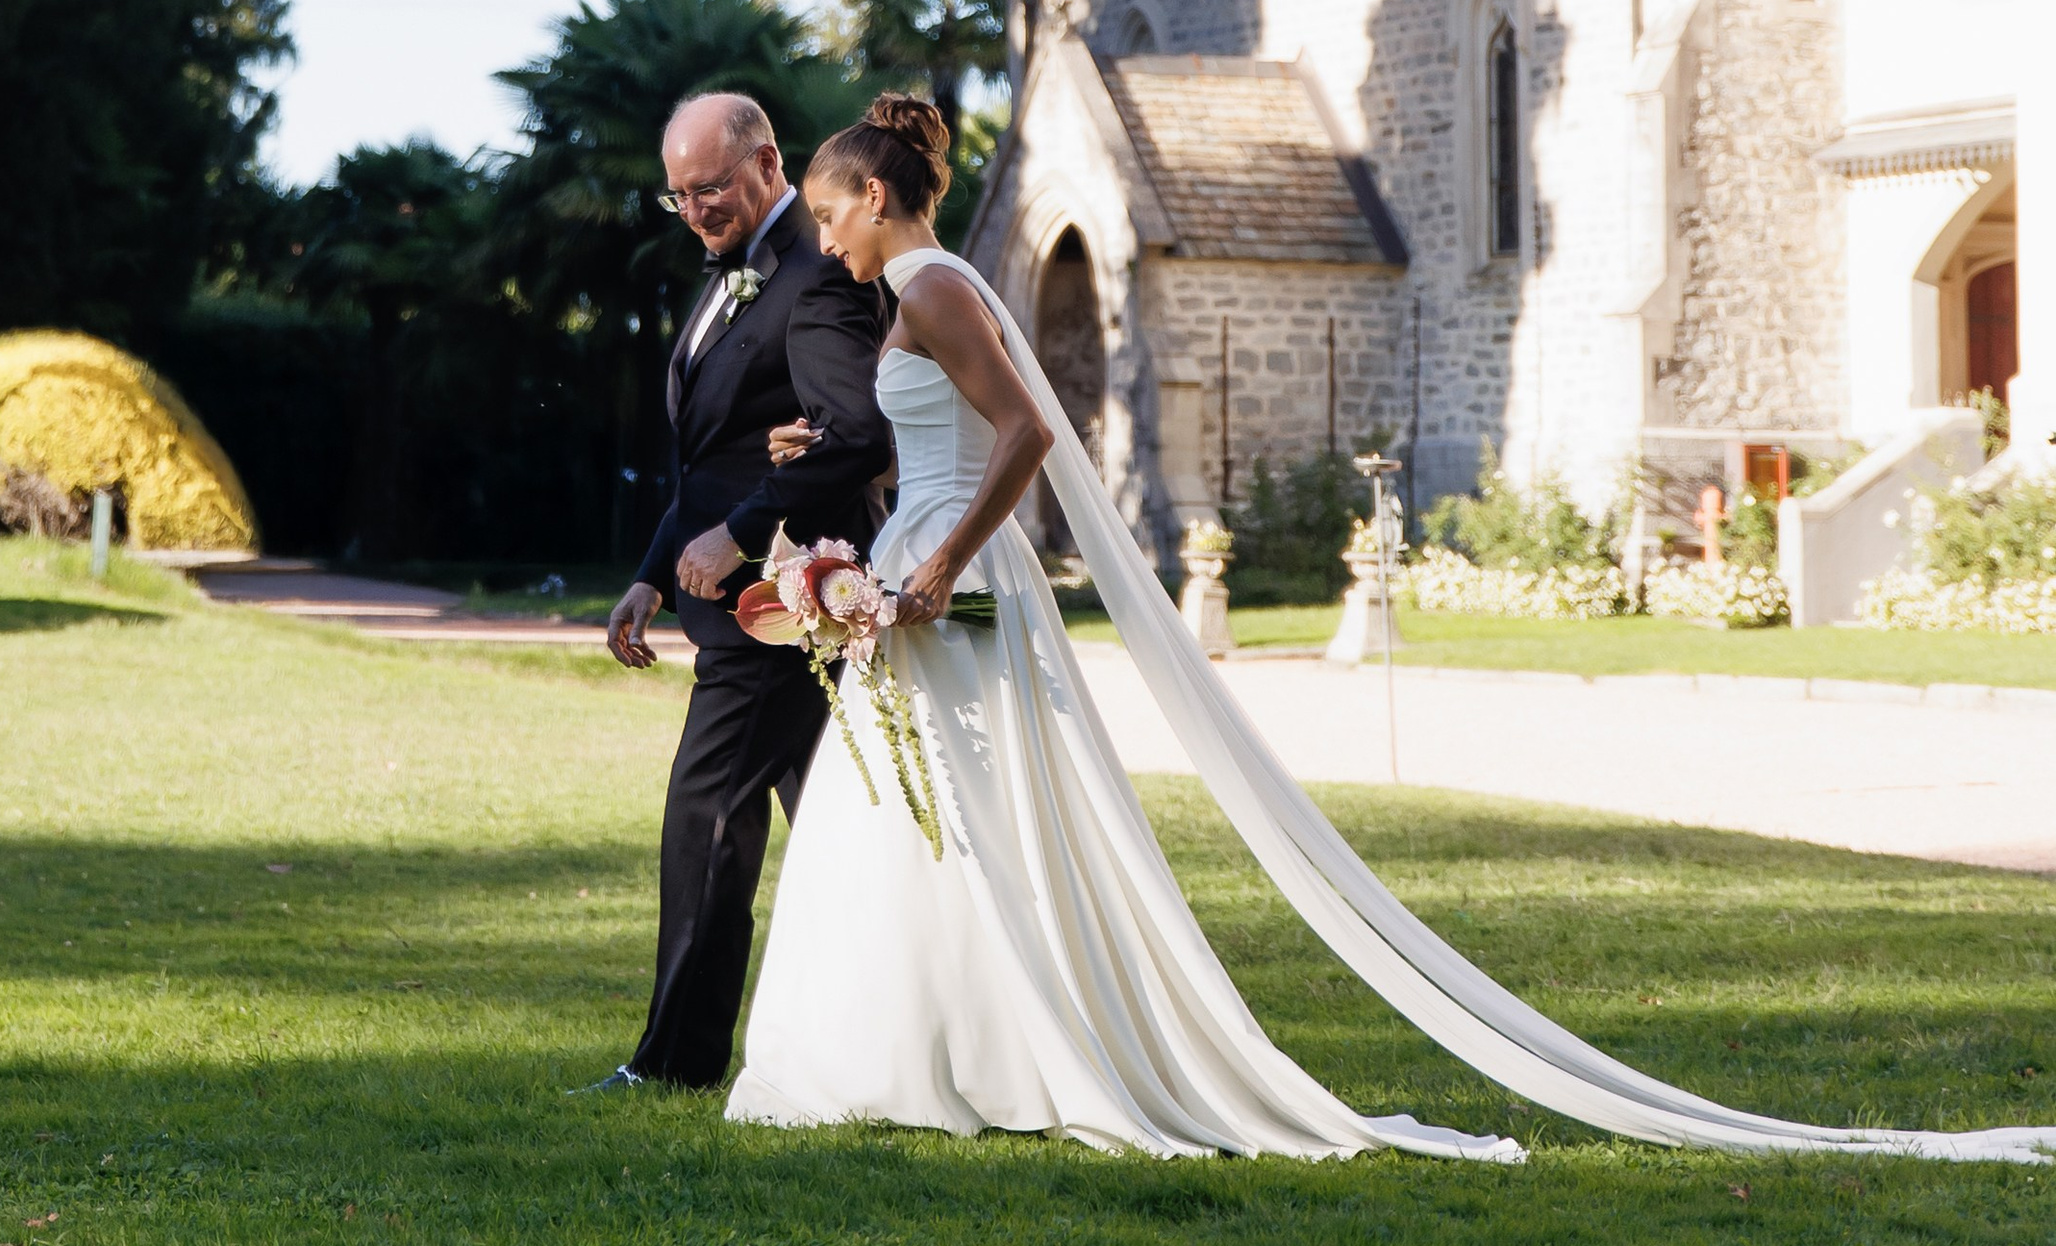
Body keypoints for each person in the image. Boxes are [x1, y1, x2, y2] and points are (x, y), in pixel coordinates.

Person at [726, 92, 2056, 1168]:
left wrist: (934, 562)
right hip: (921, 571)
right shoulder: (919, 295)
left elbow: (1025, 431)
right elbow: (956, 441)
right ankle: (931, 1050)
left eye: (831, 208)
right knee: (923, 816)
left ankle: (994, 1054)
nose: (823, 233)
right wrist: (859, 480)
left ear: (872, 193)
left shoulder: (941, 282)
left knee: (967, 809)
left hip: (952, 581)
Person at [594, 89, 887, 1094]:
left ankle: (673, 1065)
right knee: (849, 837)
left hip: (781, 604)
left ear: (767, 162)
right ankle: (885, 1044)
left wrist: (741, 534)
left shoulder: (820, 277)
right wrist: (649, 573)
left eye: (709, 187)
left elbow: (854, 434)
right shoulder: (728, 280)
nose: (693, 210)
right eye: (677, 194)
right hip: (740, 600)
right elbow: (710, 456)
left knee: (705, 817)